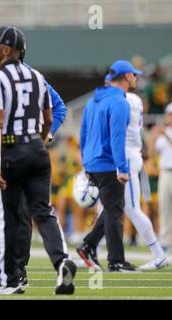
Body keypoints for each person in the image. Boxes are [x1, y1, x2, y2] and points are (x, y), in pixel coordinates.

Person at [0, 25, 68, 290]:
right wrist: (42, 137)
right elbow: (49, 117)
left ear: (6, 50)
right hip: (37, 150)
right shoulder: (37, 76)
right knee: (43, 212)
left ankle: (9, 279)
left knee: (7, 217)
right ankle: (62, 261)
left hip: (11, 150)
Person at [77, 87, 169, 270]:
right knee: (107, 208)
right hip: (124, 157)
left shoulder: (125, 101)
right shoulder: (131, 100)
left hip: (124, 159)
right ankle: (91, 249)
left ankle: (158, 254)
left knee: (130, 209)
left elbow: (117, 132)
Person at [78, 60, 140, 272]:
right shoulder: (120, 102)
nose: (136, 78)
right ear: (127, 77)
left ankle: (88, 245)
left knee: (112, 207)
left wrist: (85, 161)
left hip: (93, 162)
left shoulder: (92, 101)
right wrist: (122, 168)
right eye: (134, 75)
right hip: (108, 163)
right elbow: (117, 137)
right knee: (114, 211)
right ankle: (116, 260)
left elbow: (83, 133)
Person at [151, 103, 172, 252]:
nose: (169, 117)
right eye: (169, 114)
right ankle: (164, 241)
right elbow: (153, 154)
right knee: (163, 207)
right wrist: (153, 138)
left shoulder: (165, 133)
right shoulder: (163, 133)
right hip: (164, 172)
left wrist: (164, 133)